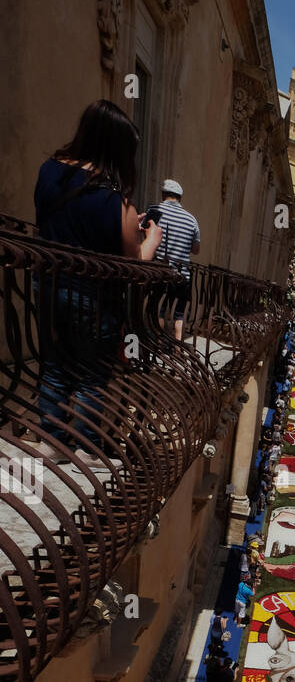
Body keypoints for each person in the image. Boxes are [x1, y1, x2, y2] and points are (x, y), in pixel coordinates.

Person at [33, 100, 163, 456]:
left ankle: (51, 441)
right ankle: (87, 446)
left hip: (47, 285)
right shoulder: (115, 202)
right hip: (91, 298)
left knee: (55, 365)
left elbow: (60, 225)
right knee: (94, 373)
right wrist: (150, 240)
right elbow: (134, 263)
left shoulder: (48, 172)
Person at [154, 178, 200, 339]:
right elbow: (196, 250)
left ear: (163, 194)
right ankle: (178, 348)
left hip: (160, 271)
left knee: (159, 310)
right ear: (180, 198)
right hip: (182, 275)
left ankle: (158, 344)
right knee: (179, 315)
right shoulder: (191, 219)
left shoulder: (155, 211)